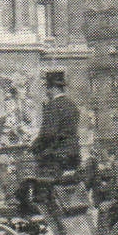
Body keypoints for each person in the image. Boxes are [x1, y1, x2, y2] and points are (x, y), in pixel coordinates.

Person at [23, 70, 80, 212]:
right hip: (73, 154)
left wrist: (33, 148)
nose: (46, 92)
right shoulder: (72, 105)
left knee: (26, 173)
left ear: (52, 88)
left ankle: (35, 206)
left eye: (47, 88)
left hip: (57, 157)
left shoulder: (53, 106)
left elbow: (47, 135)